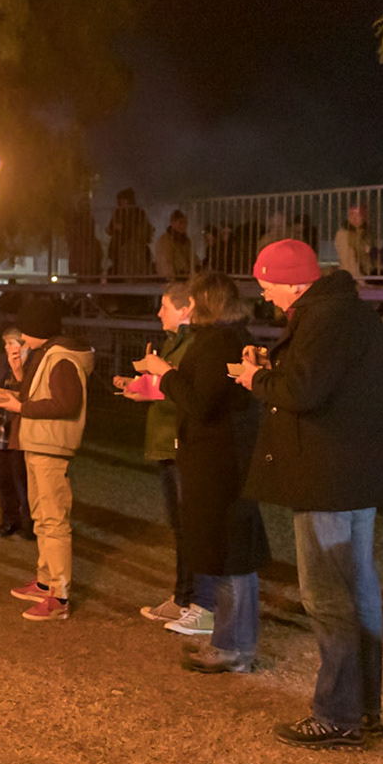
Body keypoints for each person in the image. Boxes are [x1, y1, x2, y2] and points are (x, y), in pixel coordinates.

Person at [234, 239, 383, 748]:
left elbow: (303, 391)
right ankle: (363, 708)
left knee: (327, 595)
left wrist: (256, 377)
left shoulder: (323, 319)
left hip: (327, 476)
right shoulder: (352, 315)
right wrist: (273, 368)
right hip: (355, 475)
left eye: (267, 285)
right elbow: (322, 380)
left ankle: (336, 715)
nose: (265, 295)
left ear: (293, 283)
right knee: (358, 591)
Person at [138, 272, 268, 674]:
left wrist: (165, 372)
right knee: (226, 551)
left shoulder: (218, 343)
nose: (189, 307)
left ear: (205, 302)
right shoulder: (226, 339)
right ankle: (229, 642)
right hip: (220, 458)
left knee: (230, 554)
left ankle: (234, 646)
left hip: (219, 461)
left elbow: (201, 403)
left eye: (193, 300)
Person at [0, 298, 94, 620]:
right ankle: (45, 581)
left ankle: (59, 597)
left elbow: (67, 404)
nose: (22, 338)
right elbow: (41, 395)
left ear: (38, 329)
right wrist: (19, 375)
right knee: (41, 516)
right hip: (39, 444)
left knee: (53, 520)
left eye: (26, 331)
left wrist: (21, 408)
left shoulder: (61, 359)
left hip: (51, 446)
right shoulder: (48, 355)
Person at [118, 281, 204, 631]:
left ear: (185, 309)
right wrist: (139, 386)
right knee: (180, 526)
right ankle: (183, 597)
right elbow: (169, 389)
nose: (158, 313)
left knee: (189, 527)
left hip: (180, 443)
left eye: (164, 306)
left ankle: (191, 600)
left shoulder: (192, 345)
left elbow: (186, 391)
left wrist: (157, 377)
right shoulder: (174, 343)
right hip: (167, 442)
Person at [0, 327, 33, 539]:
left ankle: (30, 523)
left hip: (19, 433)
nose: (7, 348)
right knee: (3, 479)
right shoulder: (3, 363)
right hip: (2, 431)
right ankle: (10, 520)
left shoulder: (31, 365)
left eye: (11, 343)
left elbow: (29, 394)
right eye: (5, 344)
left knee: (22, 480)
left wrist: (18, 370)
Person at [106, 189, 154, 280]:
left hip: (135, 249)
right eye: (121, 202)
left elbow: (143, 230)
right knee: (119, 273)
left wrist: (123, 229)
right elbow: (110, 229)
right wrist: (113, 228)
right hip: (118, 248)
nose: (123, 204)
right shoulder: (118, 213)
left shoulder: (139, 213)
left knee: (135, 272)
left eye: (125, 201)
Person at [333, 204, 373, 282]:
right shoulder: (344, 234)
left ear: (364, 217)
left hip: (363, 277)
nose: (354, 218)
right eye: (351, 215)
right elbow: (347, 261)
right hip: (353, 279)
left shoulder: (364, 234)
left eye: (358, 215)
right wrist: (358, 280)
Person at [153, 211, 194, 282]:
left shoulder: (186, 241)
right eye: (180, 223)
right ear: (172, 223)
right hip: (172, 279)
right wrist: (170, 279)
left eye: (185, 223)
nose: (184, 225)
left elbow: (191, 258)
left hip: (184, 278)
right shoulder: (165, 240)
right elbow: (165, 261)